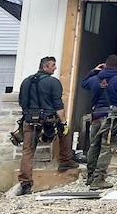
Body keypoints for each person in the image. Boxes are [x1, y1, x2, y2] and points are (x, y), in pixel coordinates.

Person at [17, 56, 81, 195]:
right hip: (48, 120)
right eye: (53, 65)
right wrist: (63, 122)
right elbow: (58, 105)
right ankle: (65, 160)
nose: (55, 68)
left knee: (27, 150)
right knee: (65, 132)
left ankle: (25, 183)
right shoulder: (53, 82)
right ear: (45, 67)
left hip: (29, 120)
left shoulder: (26, 81)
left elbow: (22, 102)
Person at [81, 54, 117, 190]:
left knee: (94, 146)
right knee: (107, 148)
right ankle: (99, 179)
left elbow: (83, 83)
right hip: (112, 118)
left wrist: (94, 71)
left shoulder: (94, 79)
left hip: (95, 116)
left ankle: (90, 176)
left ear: (105, 65)